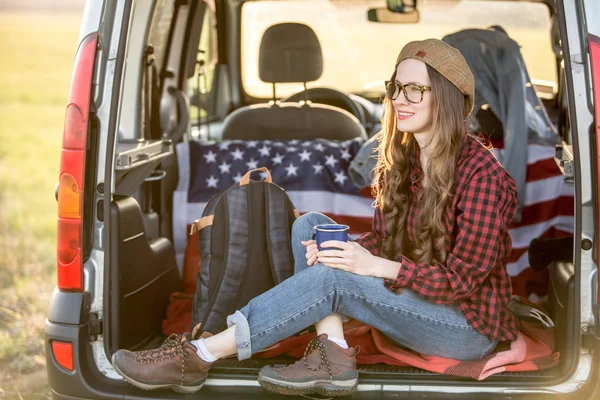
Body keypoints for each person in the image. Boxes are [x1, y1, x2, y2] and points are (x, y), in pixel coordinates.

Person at [111, 39, 519, 397]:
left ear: (446, 97)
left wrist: (369, 266)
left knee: (332, 276)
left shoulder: (483, 176)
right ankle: (333, 355)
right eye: (396, 87)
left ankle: (199, 355)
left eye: (416, 89)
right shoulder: (406, 160)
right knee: (313, 228)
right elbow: (381, 241)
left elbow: (461, 280)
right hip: (415, 297)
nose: (401, 99)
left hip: (465, 328)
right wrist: (347, 252)